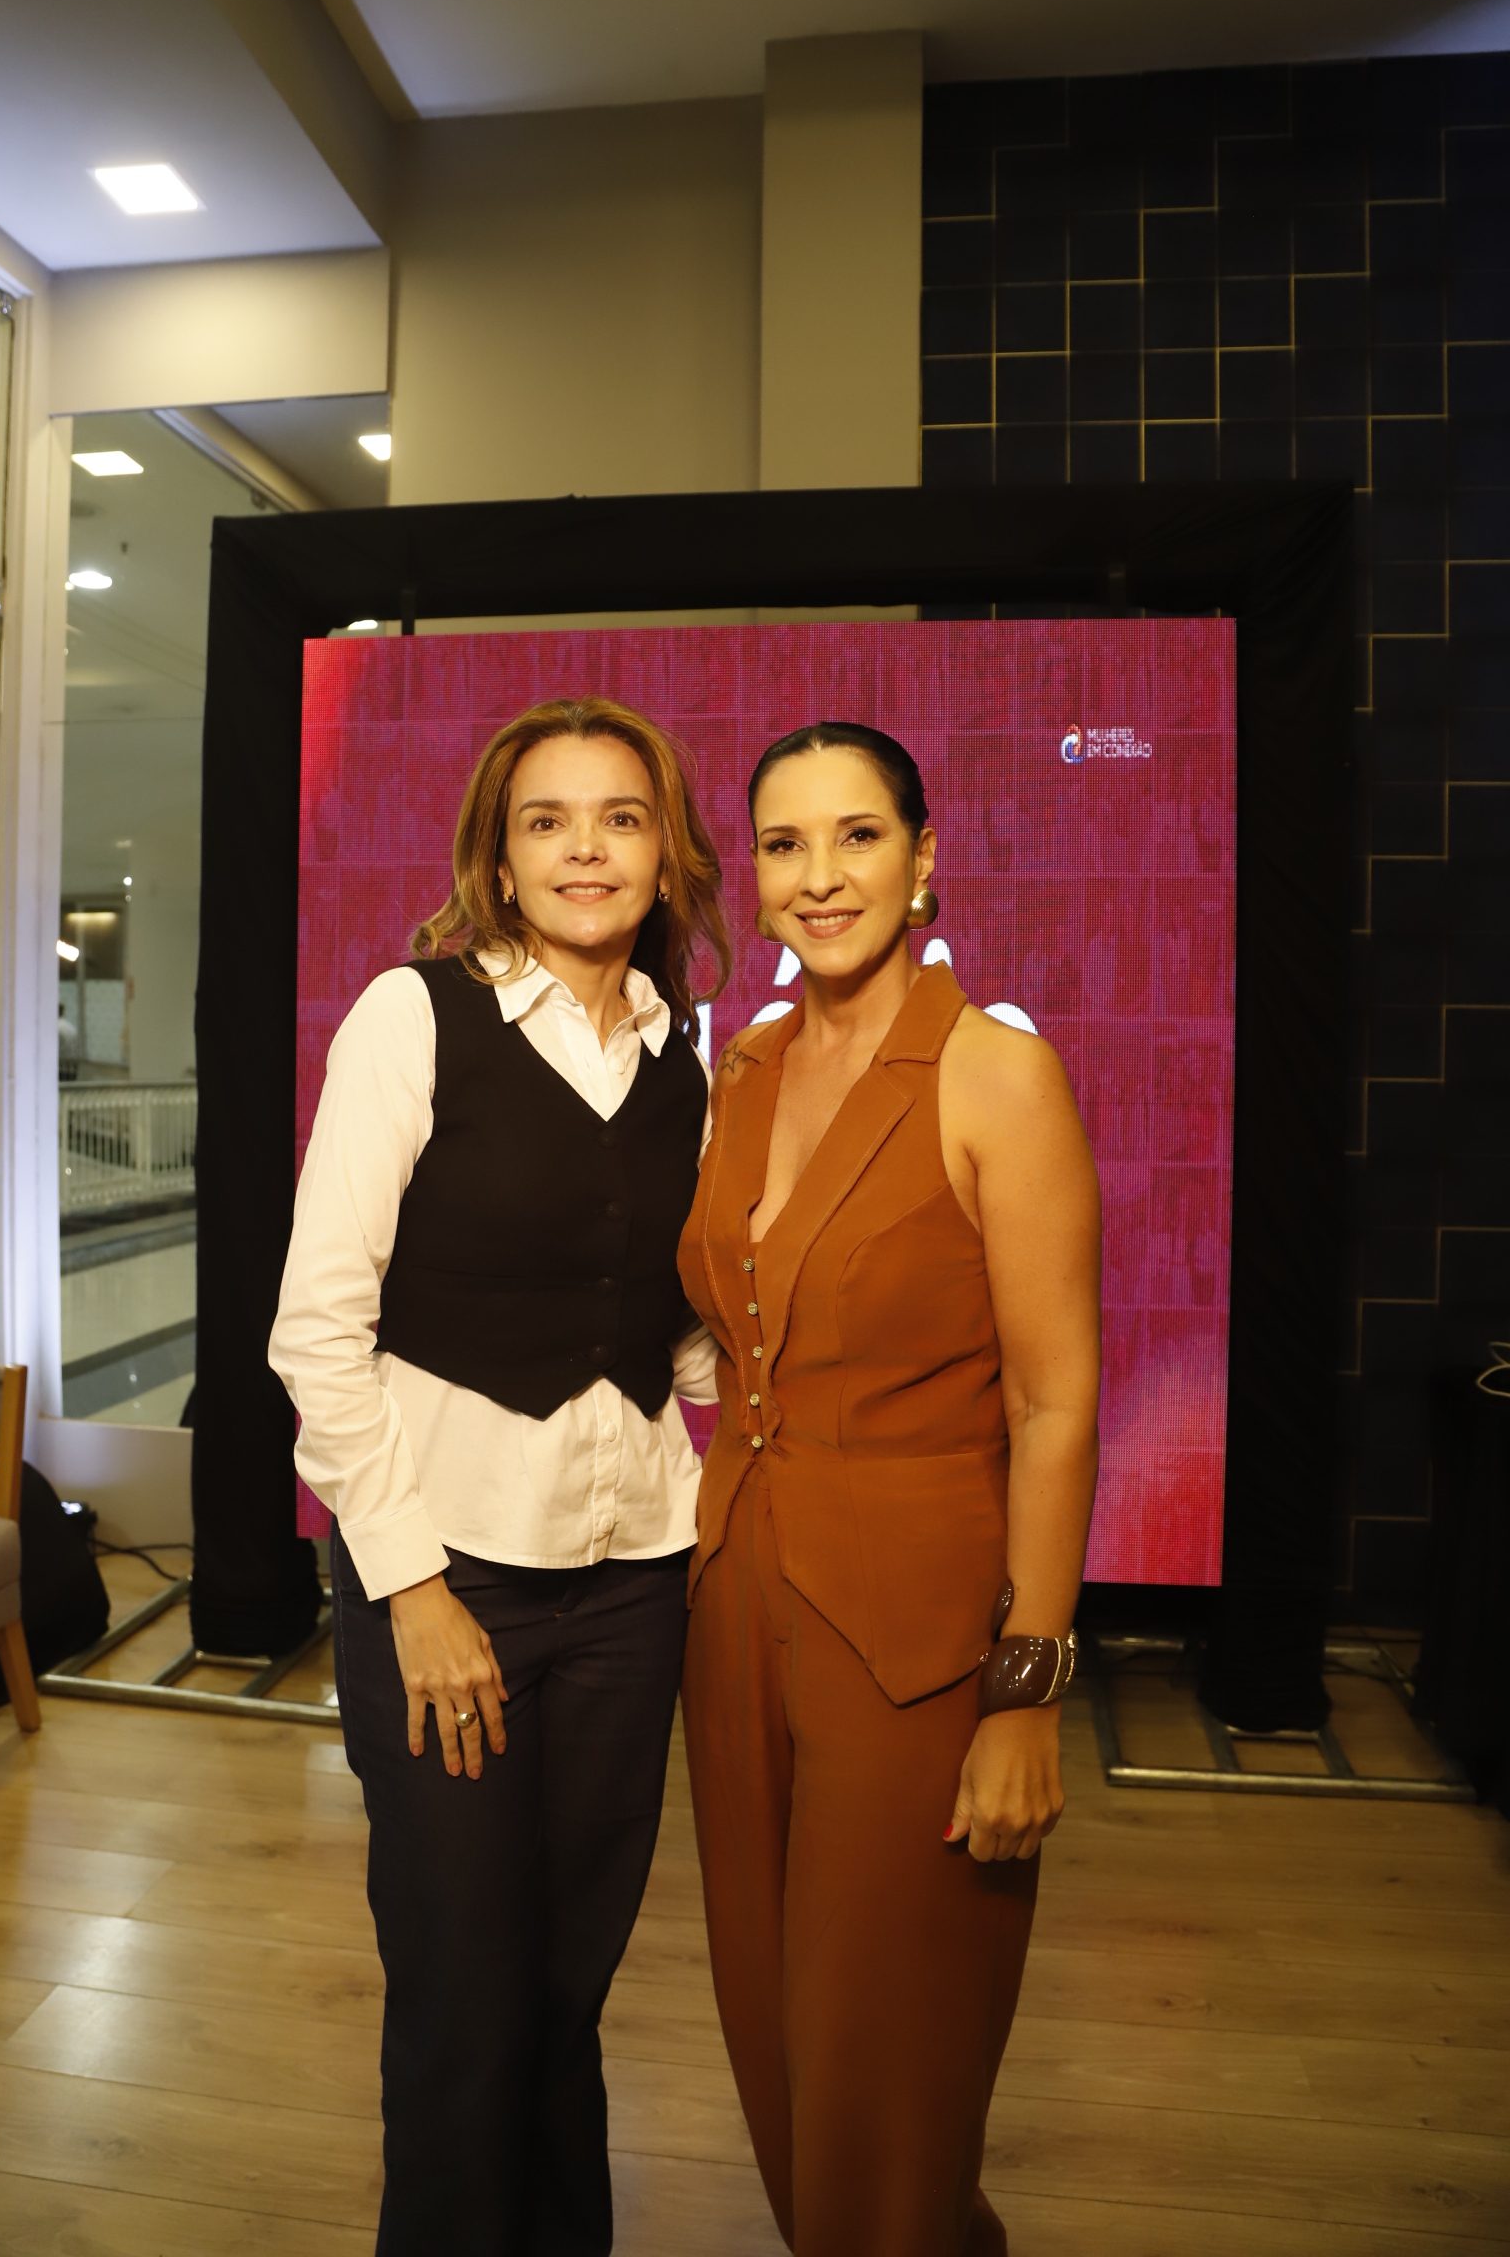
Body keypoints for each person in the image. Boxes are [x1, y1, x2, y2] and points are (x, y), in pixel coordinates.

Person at [270, 695, 729, 2257]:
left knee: (565, 1987)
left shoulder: (684, 1052)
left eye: (620, 817)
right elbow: (316, 1332)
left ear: (666, 854)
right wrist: (410, 1586)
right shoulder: (412, 1019)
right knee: (463, 1995)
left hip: (634, 1586)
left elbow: (670, 1326)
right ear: (500, 856)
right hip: (448, 1578)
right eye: (549, 821)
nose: (586, 849)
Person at [679, 721, 1101, 2257]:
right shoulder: (746, 1067)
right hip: (734, 1601)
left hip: (914, 1638)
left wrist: (1026, 1691)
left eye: (858, 836)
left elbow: (1055, 1404)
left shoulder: (996, 1072)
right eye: (785, 844)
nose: (821, 875)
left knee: (888, 2044)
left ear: (925, 859)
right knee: (772, 2026)